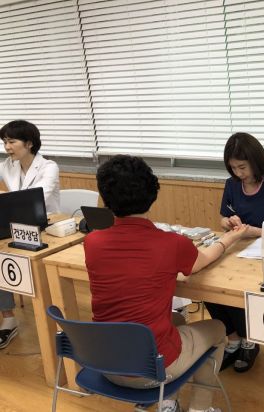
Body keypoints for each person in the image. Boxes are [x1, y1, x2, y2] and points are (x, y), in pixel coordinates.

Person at [84, 155, 249, 412]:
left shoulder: (92, 242)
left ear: (105, 198)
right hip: (152, 370)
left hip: (104, 362)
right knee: (218, 328)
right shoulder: (171, 244)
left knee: (177, 319)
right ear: (152, 194)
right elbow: (202, 261)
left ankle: (168, 403)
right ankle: (199, 408)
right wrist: (230, 238)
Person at [205, 132, 264, 373]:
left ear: (256, 161)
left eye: (242, 167)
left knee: (240, 290)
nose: (238, 173)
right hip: (237, 251)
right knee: (209, 284)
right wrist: (228, 223)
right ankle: (233, 339)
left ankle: (250, 340)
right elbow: (223, 218)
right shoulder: (232, 185)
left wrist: (254, 231)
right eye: (233, 168)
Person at [0, 120, 60, 349]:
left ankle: (52, 319)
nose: (7, 147)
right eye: (4, 142)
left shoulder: (49, 167)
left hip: (46, 229)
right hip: (16, 226)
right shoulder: (8, 165)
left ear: (29, 143)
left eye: (11, 142)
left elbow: (37, 198)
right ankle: (8, 318)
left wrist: (6, 202)